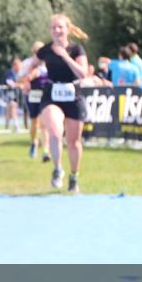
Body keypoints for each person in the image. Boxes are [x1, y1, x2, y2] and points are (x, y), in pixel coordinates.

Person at [22, 14, 90, 193]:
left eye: (60, 27)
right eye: (53, 28)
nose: (57, 31)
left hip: (73, 94)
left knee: (74, 141)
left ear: (67, 30)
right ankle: (58, 169)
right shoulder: (45, 50)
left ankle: (74, 176)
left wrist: (65, 56)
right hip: (52, 94)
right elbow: (32, 65)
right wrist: (28, 79)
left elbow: (83, 74)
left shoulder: (77, 50)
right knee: (54, 131)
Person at [2, 58, 22, 132]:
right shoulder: (9, 73)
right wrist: (18, 85)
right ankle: (16, 126)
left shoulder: (18, 73)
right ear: (15, 65)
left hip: (15, 94)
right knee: (13, 107)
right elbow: (9, 83)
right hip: (8, 93)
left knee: (9, 110)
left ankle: (6, 126)